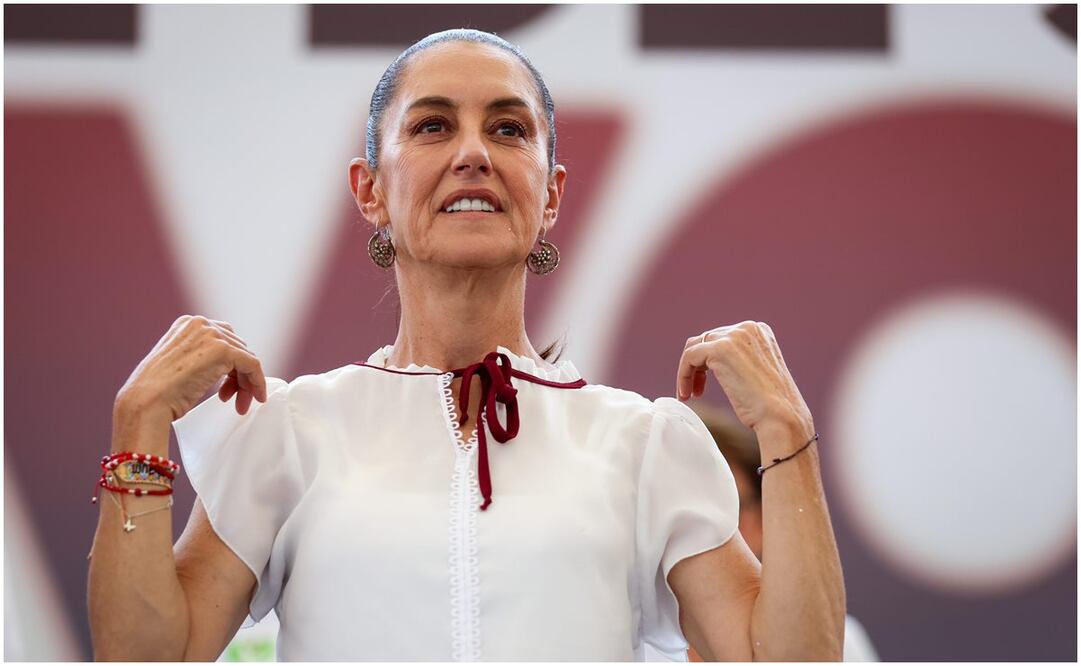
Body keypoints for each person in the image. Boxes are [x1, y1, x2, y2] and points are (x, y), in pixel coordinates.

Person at [87, 29, 845, 661]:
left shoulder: (644, 443)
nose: (473, 153)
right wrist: (138, 425)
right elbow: (148, 655)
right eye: (432, 126)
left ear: (549, 192)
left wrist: (788, 438)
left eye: (509, 129)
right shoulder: (291, 431)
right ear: (369, 189)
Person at [685, 405, 880, 662]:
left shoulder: (838, 643)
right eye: (685, 510)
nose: (703, 531)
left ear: (763, 522)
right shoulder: (625, 642)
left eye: (724, 507)